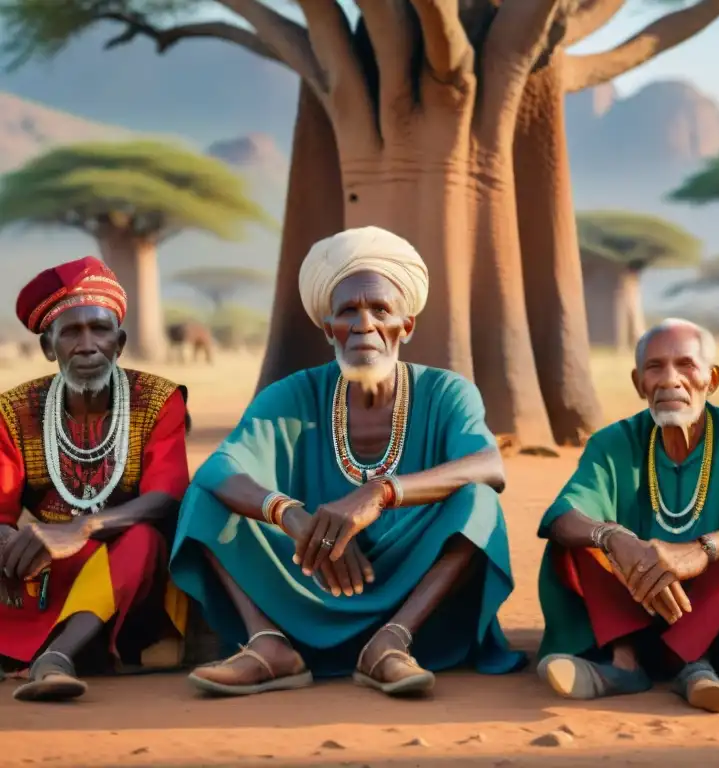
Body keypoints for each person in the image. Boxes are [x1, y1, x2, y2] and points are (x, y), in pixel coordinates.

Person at [170, 226, 525, 698]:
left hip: (412, 579)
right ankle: (270, 644)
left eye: (380, 310)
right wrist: (293, 517)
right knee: (204, 499)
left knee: (478, 503)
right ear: (328, 328)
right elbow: (219, 467)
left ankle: (391, 644)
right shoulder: (293, 394)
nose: (364, 325)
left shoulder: (446, 391)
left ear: (406, 325)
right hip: (311, 572)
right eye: (348, 312)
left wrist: (378, 494)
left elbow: (487, 464)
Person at [536, 319, 719, 711]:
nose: (670, 379)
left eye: (686, 365)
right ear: (639, 383)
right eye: (655, 367)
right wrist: (616, 539)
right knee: (574, 541)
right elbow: (564, 513)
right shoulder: (612, 443)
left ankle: (697, 661)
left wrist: (702, 551)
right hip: (635, 610)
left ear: (712, 378)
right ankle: (624, 664)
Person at [0, 256, 190, 702]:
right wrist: (8, 543)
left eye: (99, 330)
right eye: (70, 332)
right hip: (43, 572)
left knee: (142, 539)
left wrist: (82, 527)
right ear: (50, 348)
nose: (87, 345)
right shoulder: (14, 411)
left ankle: (56, 658)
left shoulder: (159, 400)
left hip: (129, 575)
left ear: (119, 342)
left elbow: (167, 496)